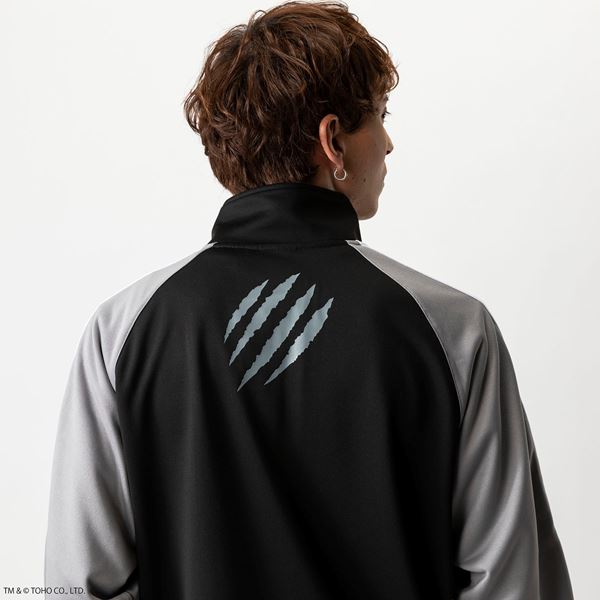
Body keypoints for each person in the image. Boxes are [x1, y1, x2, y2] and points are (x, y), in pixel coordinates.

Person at [44, 1, 575, 599]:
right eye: (378, 116)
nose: (389, 143)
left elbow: (79, 583)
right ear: (333, 141)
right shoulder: (451, 328)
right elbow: (509, 582)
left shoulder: (124, 330)